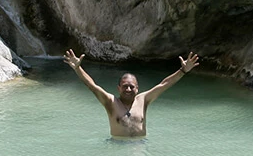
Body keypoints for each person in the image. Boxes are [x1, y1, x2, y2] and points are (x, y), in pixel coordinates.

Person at [63, 49, 199, 138]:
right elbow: (92, 86)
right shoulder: (110, 102)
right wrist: (78, 68)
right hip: (117, 146)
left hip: (140, 148)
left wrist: (183, 71)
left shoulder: (143, 100)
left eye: (131, 87)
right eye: (125, 86)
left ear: (137, 88)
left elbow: (164, 84)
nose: (128, 89)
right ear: (118, 88)